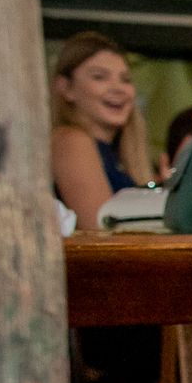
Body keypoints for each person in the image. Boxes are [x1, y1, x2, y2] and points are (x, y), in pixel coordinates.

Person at [50, 31, 152, 232]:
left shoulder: (120, 155)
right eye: (100, 77)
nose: (118, 89)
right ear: (66, 88)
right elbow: (100, 231)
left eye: (125, 79)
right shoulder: (71, 141)